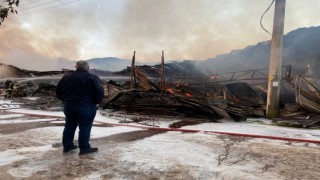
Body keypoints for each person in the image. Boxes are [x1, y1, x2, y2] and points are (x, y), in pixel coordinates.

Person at [56, 60, 104, 155]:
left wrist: (65, 100)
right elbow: (99, 92)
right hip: (86, 106)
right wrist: (97, 102)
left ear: (76, 67)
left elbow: (58, 91)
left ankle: (68, 147)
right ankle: (84, 148)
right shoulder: (92, 77)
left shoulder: (66, 77)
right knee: (85, 126)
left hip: (69, 105)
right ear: (87, 67)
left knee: (69, 126)